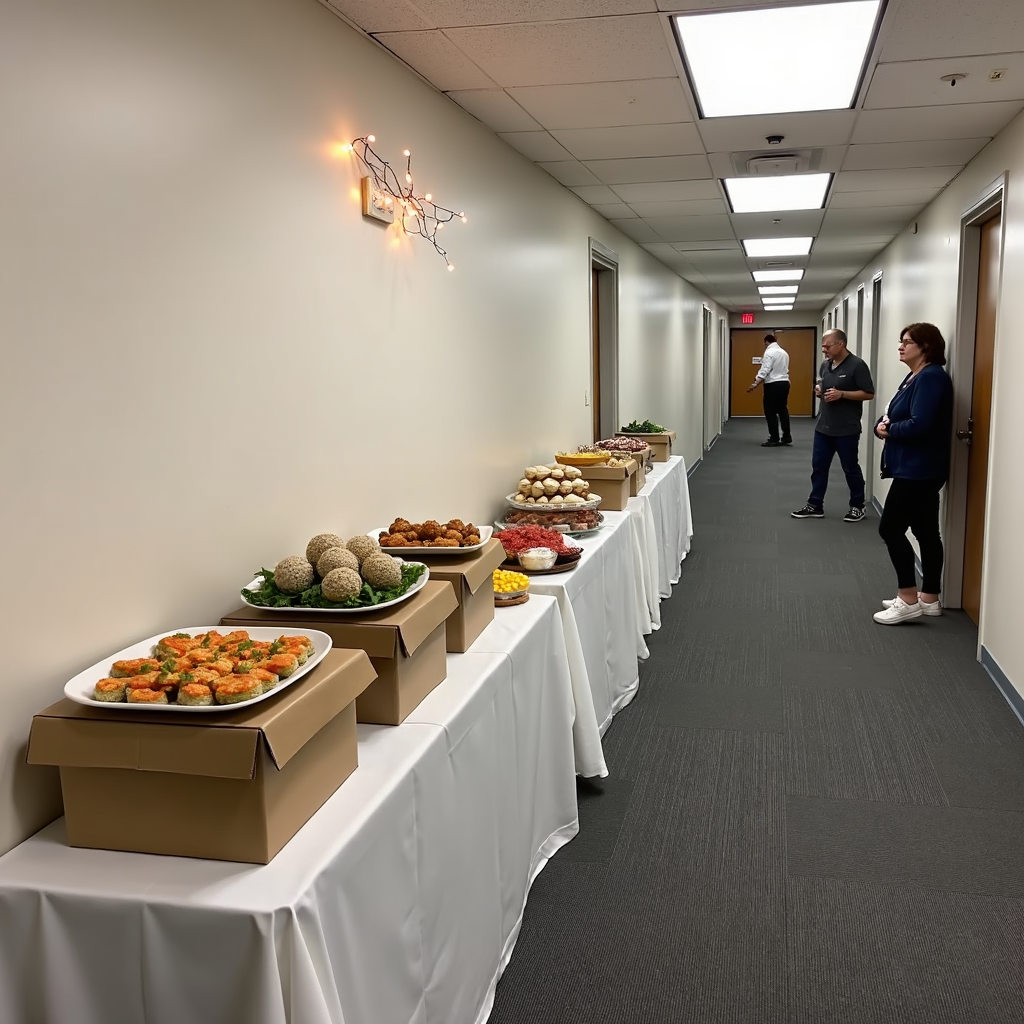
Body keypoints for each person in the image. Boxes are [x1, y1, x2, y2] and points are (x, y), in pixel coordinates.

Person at [871, 322, 954, 625]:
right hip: (915, 467)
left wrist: (889, 429)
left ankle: (907, 598)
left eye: (907, 342)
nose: (900, 346)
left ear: (926, 347)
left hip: (918, 470)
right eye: (900, 341)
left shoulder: (931, 378)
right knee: (925, 531)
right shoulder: (914, 376)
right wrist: (885, 422)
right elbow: (895, 411)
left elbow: (921, 424)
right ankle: (929, 597)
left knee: (890, 529)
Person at [791, 328, 875, 522]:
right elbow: (823, 384)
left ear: (841, 344)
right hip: (823, 427)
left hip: (846, 428)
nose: (824, 349)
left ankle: (857, 506)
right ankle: (815, 505)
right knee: (819, 467)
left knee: (850, 468)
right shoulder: (826, 365)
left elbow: (869, 393)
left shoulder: (857, 365)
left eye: (827, 346)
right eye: (822, 345)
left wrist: (843, 394)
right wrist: (819, 391)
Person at [746, 334, 791, 447]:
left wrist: (755, 383)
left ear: (766, 342)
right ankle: (786, 436)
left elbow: (765, 370)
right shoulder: (784, 353)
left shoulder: (769, 353)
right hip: (784, 383)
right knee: (782, 410)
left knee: (770, 412)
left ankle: (774, 438)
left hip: (773, 385)